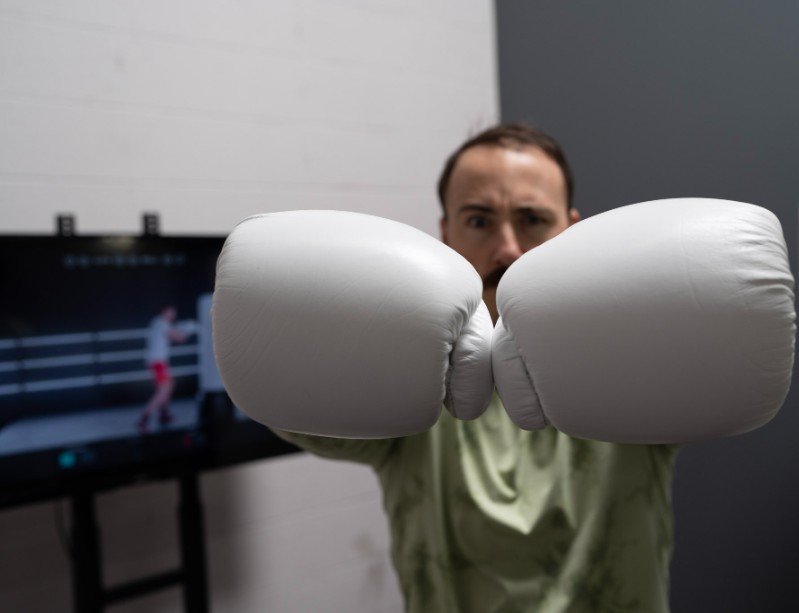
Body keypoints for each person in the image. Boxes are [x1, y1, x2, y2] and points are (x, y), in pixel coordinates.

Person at [273, 124, 679, 612]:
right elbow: (287, 404)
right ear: (446, 235)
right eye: (480, 221)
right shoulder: (408, 374)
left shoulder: (633, 360)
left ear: (571, 231)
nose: (507, 249)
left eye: (531, 219)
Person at [139, 304, 190, 433]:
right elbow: (179, 338)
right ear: (164, 311)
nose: (173, 315)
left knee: (169, 385)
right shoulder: (162, 323)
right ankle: (145, 417)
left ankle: (164, 414)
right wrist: (189, 329)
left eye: (174, 313)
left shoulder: (157, 322)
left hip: (158, 362)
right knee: (163, 389)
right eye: (171, 312)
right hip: (158, 362)